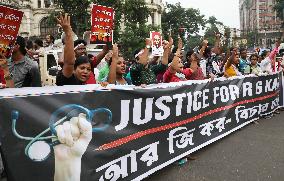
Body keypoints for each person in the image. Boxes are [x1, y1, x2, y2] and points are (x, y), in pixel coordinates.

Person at [56, 14, 92, 86]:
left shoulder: (82, 83)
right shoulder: (68, 77)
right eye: (82, 68)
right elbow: (69, 62)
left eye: (88, 69)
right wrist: (68, 33)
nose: (85, 71)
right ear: (74, 69)